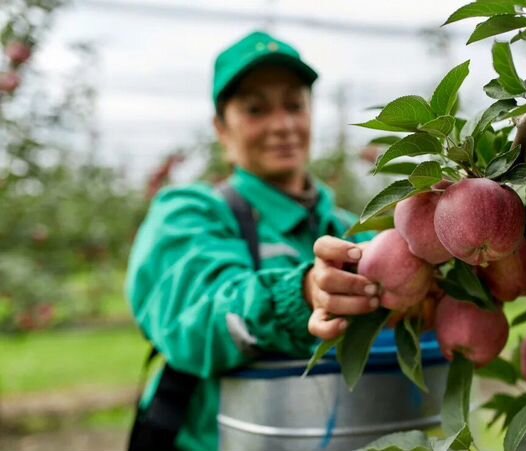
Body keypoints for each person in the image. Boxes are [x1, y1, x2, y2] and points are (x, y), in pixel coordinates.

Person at [125, 30, 381, 451]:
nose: (282, 125)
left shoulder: (355, 230)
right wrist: (298, 295)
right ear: (222, 130)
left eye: (294, 106)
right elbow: (195, 316)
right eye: (256, 109)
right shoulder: (187, 216)